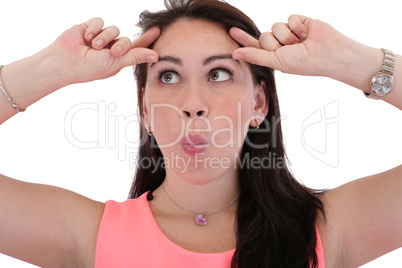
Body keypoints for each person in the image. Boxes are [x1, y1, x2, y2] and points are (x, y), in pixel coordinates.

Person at [0, 0, 401, 267]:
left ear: (259, 104)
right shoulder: (87, 234)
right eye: (169, 75)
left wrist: (354, 62)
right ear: (145, 108)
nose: (193, 102)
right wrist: (49, 69)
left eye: (218, 73)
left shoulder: (328, 229)